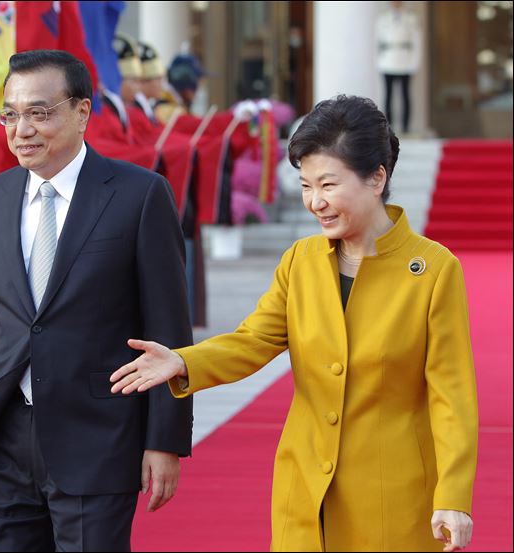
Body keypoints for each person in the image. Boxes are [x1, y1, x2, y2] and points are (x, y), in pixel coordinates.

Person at [110, 95, 478, 552]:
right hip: (305, 490)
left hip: (394, 498)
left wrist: (454, 497)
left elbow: (452, 395)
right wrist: (183, 361)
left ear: (377, 177)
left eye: (328, 184)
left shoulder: (434, 269)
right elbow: (254, 340)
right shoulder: (301, 262)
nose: (315, 202)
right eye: (305, 186)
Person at [0, 50, 193, 551]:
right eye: (11, 114)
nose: (22, 129)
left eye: (39, 112)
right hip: (1, 446)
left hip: (97, 440)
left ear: (82, 112)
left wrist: (164, 441)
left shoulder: (139, 196)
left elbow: (168, 328)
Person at [376, 0, 421, 134]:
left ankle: (405, 127)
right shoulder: (382, 19)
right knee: (388, 95)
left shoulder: (411, 18)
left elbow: (417, 42)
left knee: (405, 95)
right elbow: (376, 42)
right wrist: (378, 61)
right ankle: (388, 127)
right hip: (387, 61)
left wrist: (415, 63)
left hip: (404, 60)